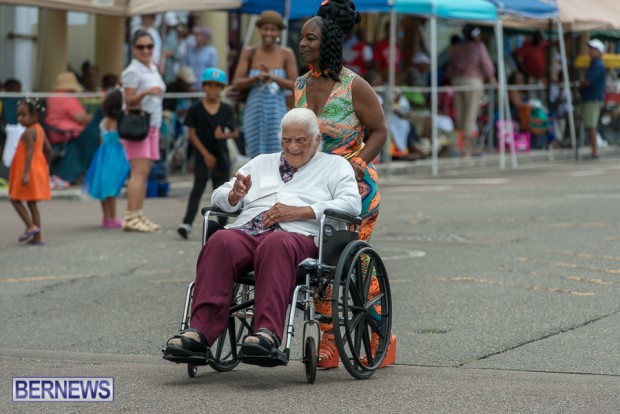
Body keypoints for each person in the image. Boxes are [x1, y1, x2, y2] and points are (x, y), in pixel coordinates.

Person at [163, 108, 361, 362]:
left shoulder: (334, 165)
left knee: (276, 244)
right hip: (249, 229)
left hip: (297, 235)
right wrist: (233, 196)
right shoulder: (260, 162)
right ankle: (199, 333)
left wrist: (300, 212)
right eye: (287, 140)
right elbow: (219, 196)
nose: (293, 147)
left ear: (316, 140)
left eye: (301, 141)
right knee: (220, 240)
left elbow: (352, 204)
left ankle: (266, 333)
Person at [294, 0, 395, 369]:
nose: (302, 43)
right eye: (301, 37)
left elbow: (380, 130)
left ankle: (349, 337)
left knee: (341, 261)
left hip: (355, 191)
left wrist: (358, 160)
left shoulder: (355, 86)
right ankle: (326, 333)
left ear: (328, 43)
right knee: (314, 261)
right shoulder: (301, 84)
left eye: (310, 38)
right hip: (314, 188)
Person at [177, 68, 239, 239]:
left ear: (222, 89)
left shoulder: (226, 109)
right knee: (197, 189)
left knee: (222, 193)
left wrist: (223, 135)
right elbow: (192, 134)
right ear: (204, 86)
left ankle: (222, 227)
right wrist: (205, 154)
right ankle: (187, 223)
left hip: (221, 157)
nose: (213, 90)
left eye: (217, 86)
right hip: (201, 156)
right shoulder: (195, 109)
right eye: (210, 85)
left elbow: (235, 132)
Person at [232, 10, 298, 158]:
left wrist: (273, 77)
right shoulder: (249, 52)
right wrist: (255, 79)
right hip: (253, 111)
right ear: (260, 29)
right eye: (265, 28)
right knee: (255, 156)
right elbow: (236, 83)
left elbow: (295, 84)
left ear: (279, 32)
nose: (269, 33)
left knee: (278, 154)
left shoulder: (286, 53)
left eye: (273, 29)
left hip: (277, 112)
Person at [120, 29, 166, 232]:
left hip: (152, 124)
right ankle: (131, 216)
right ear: (133, 48)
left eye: (149, 46)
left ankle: (138, 214)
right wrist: (145, 92)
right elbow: (128, 102)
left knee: (145, 171)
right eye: (141, 47)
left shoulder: (151, 67)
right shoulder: (132, 71)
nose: (146, 50)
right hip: (138, 124)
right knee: (138, 172)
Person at [82, 90, 130, 229]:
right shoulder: (119, 122)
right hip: (115, 156)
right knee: (112, 188)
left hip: (102, 155)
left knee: (103, 186)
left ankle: (106, 217)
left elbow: (102, 140)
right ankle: (113, 217)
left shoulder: (103, 122)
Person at [9, 99, 51, 245]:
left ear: (35, 116)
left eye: (24, 115)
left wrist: (26, 173)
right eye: (18, 115)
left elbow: (29, 153)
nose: (20, 118)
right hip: (38, 168)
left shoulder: (28, 132)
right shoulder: (39, 129)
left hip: (27, 170)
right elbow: (48, 148)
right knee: (32, 204)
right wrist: (45, 165)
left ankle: (30, 226)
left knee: (15, 198)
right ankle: (38, 236)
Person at [449, 26, 497, 156]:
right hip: (473, 82)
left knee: (460, 113)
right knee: (470, 113)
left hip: (457, 81)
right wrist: (492, 79)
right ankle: (466, 146)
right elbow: (487, 66)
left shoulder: (458, 47)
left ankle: (460, 144)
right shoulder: (479, 46)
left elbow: (451, 64)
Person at [578, 39, 607, 159]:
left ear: (599, 51)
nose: (590, 52)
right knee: (588, 124)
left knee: (591, 125)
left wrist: (578, 87)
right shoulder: (594, 64)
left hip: (593, 99)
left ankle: (594, 151)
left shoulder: (598, 65)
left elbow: (588, 82)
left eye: (593, 49)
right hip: (590, 98)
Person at [185, 26, 218, 91]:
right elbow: (186, 68)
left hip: (204, 87)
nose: (196, 38)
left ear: (205, 38)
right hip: (191, 87)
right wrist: (189, 85)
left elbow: (212, 70)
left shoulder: (211, 52)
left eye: (199, 35)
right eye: (196, 35)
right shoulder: (190, 51)